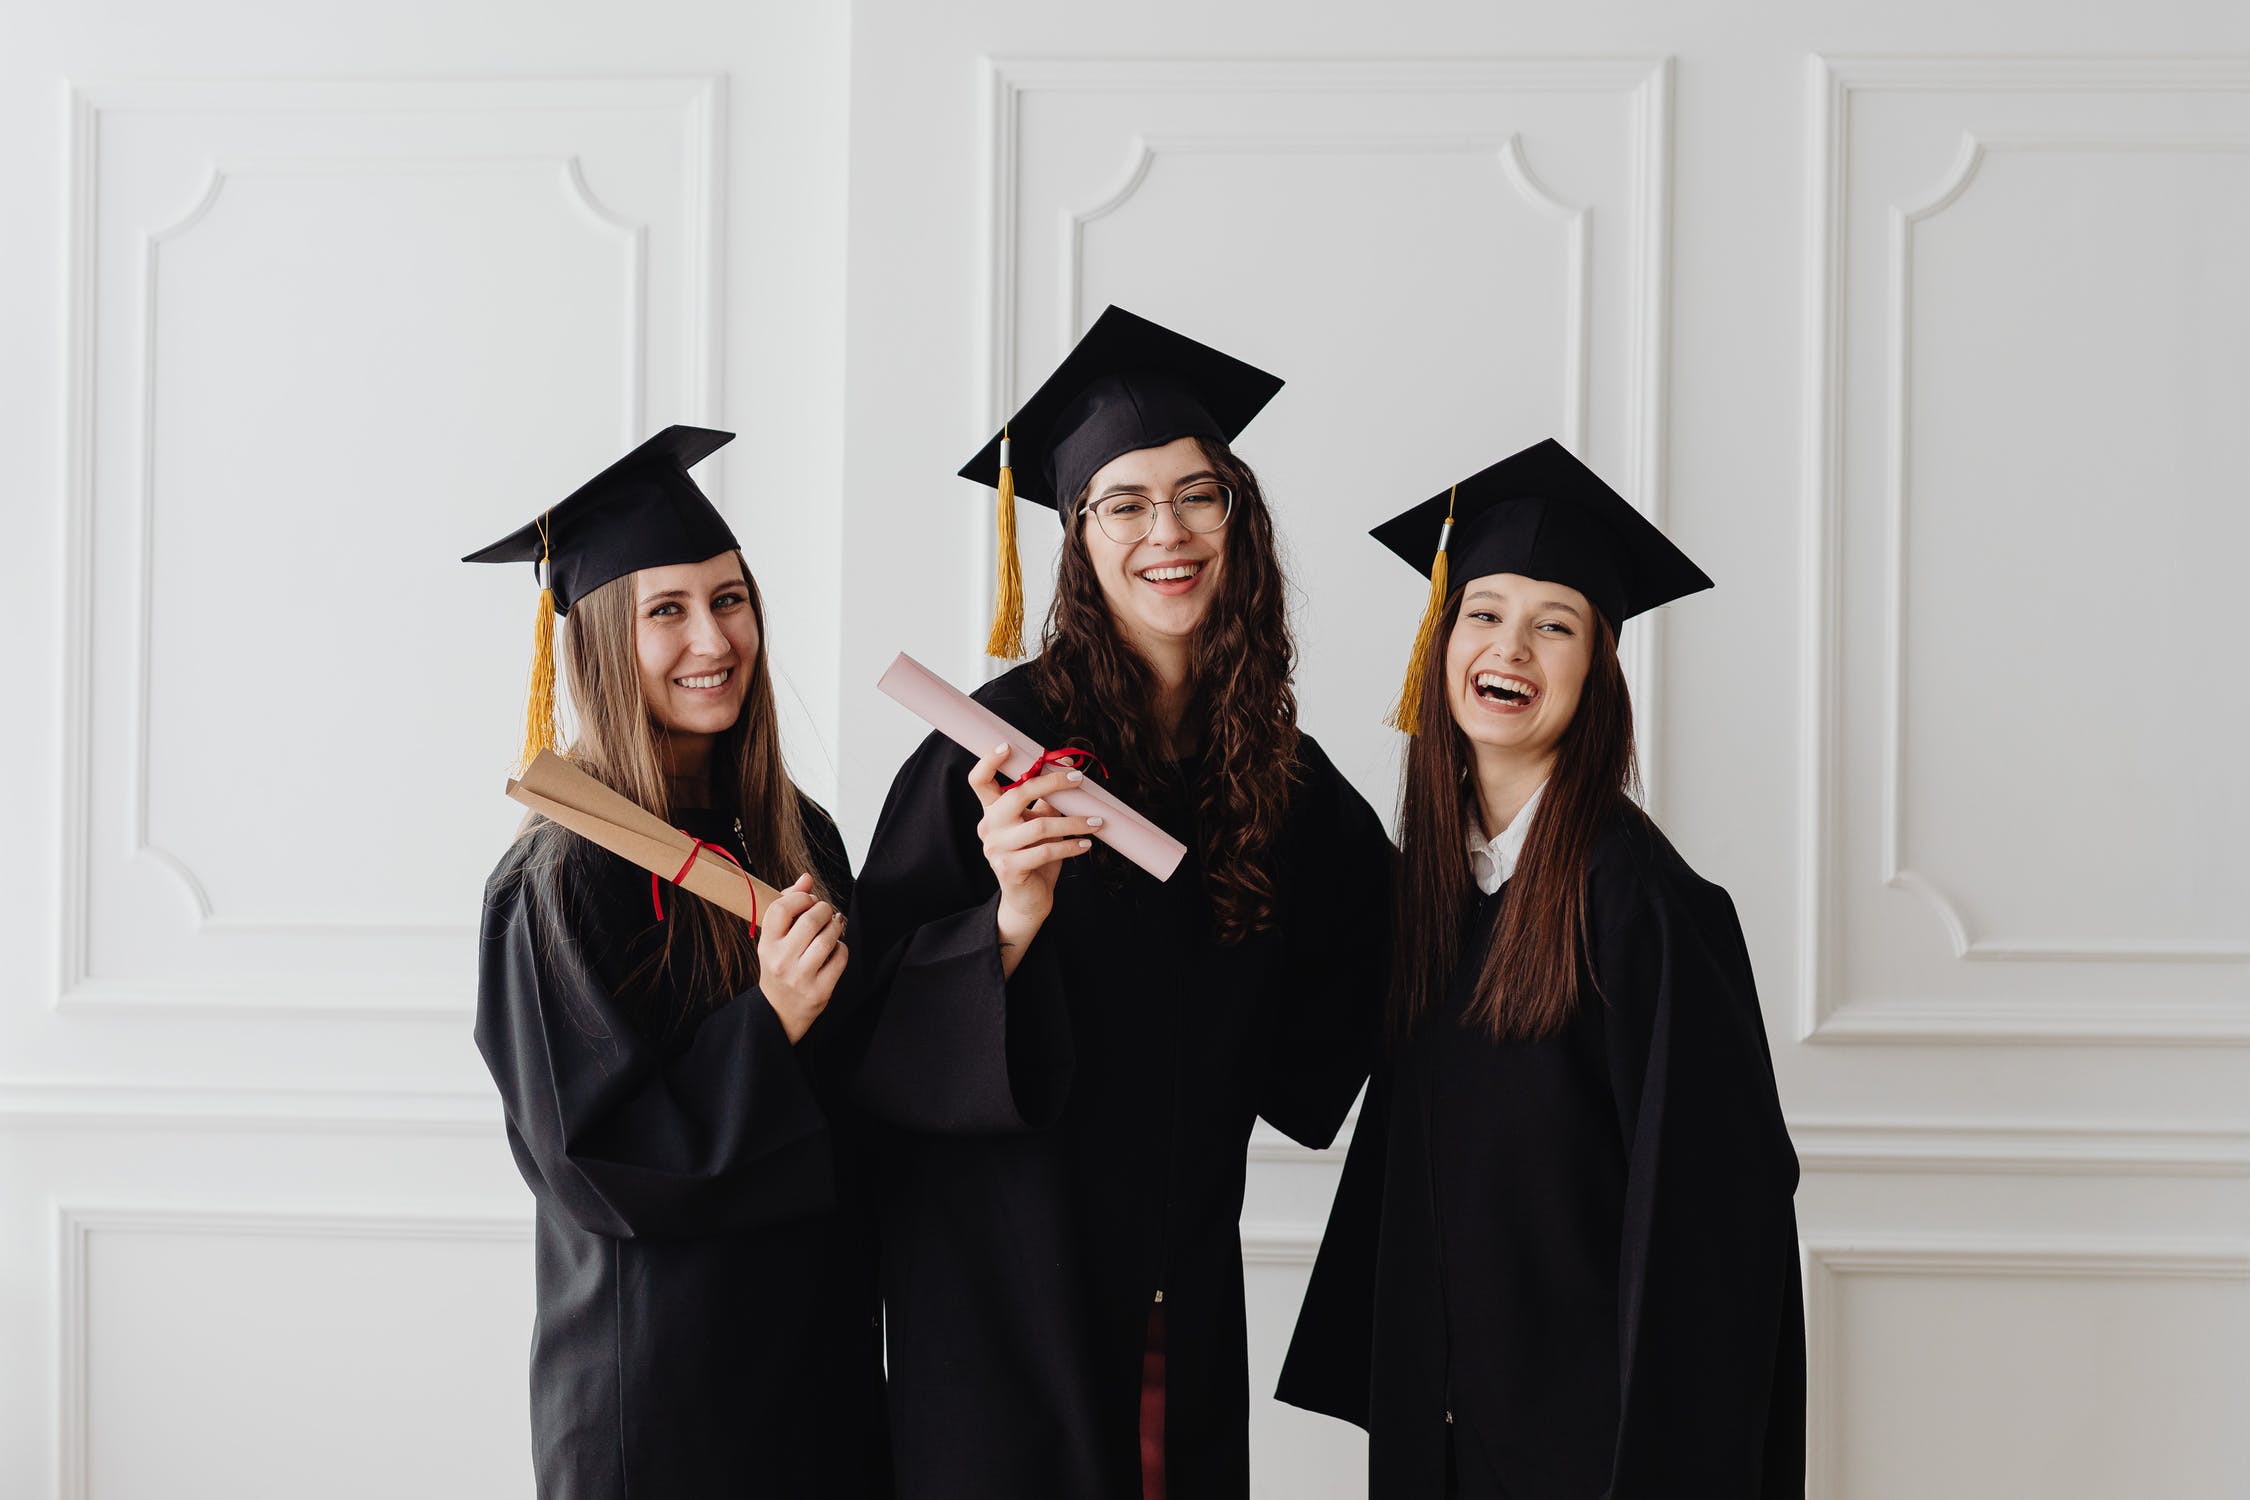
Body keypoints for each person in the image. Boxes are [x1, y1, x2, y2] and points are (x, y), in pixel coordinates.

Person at [847, 308, 1393, 1500]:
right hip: (999, 1285)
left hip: (1178, 1273)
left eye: (1200, 496)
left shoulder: (1283, 774)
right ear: (1076, 538)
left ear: (1237, 520)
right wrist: (1006, 918)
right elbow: (862, 1032)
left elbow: (1371, 973)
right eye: (1127, 503)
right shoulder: (988, 755)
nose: (1170, 532)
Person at [1278, 438, 1805, 1498]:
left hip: (1594, 1445)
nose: (1509, 645)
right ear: (1441, 640)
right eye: (1482, 611)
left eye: (1553, 624)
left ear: (1597, 668)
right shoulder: (1432, 890)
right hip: (1442, 1431)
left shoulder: (1642, 903)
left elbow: (1717, 1226)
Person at [465, 426, 890, 1498]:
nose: (714, 637)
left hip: (820, 1367)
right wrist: (772, 1018)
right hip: (660, 1396)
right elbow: (590, 1160)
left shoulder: (802, 837)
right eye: (668, 610)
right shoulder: (561, 880)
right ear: (606, 638)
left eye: (731, 598)